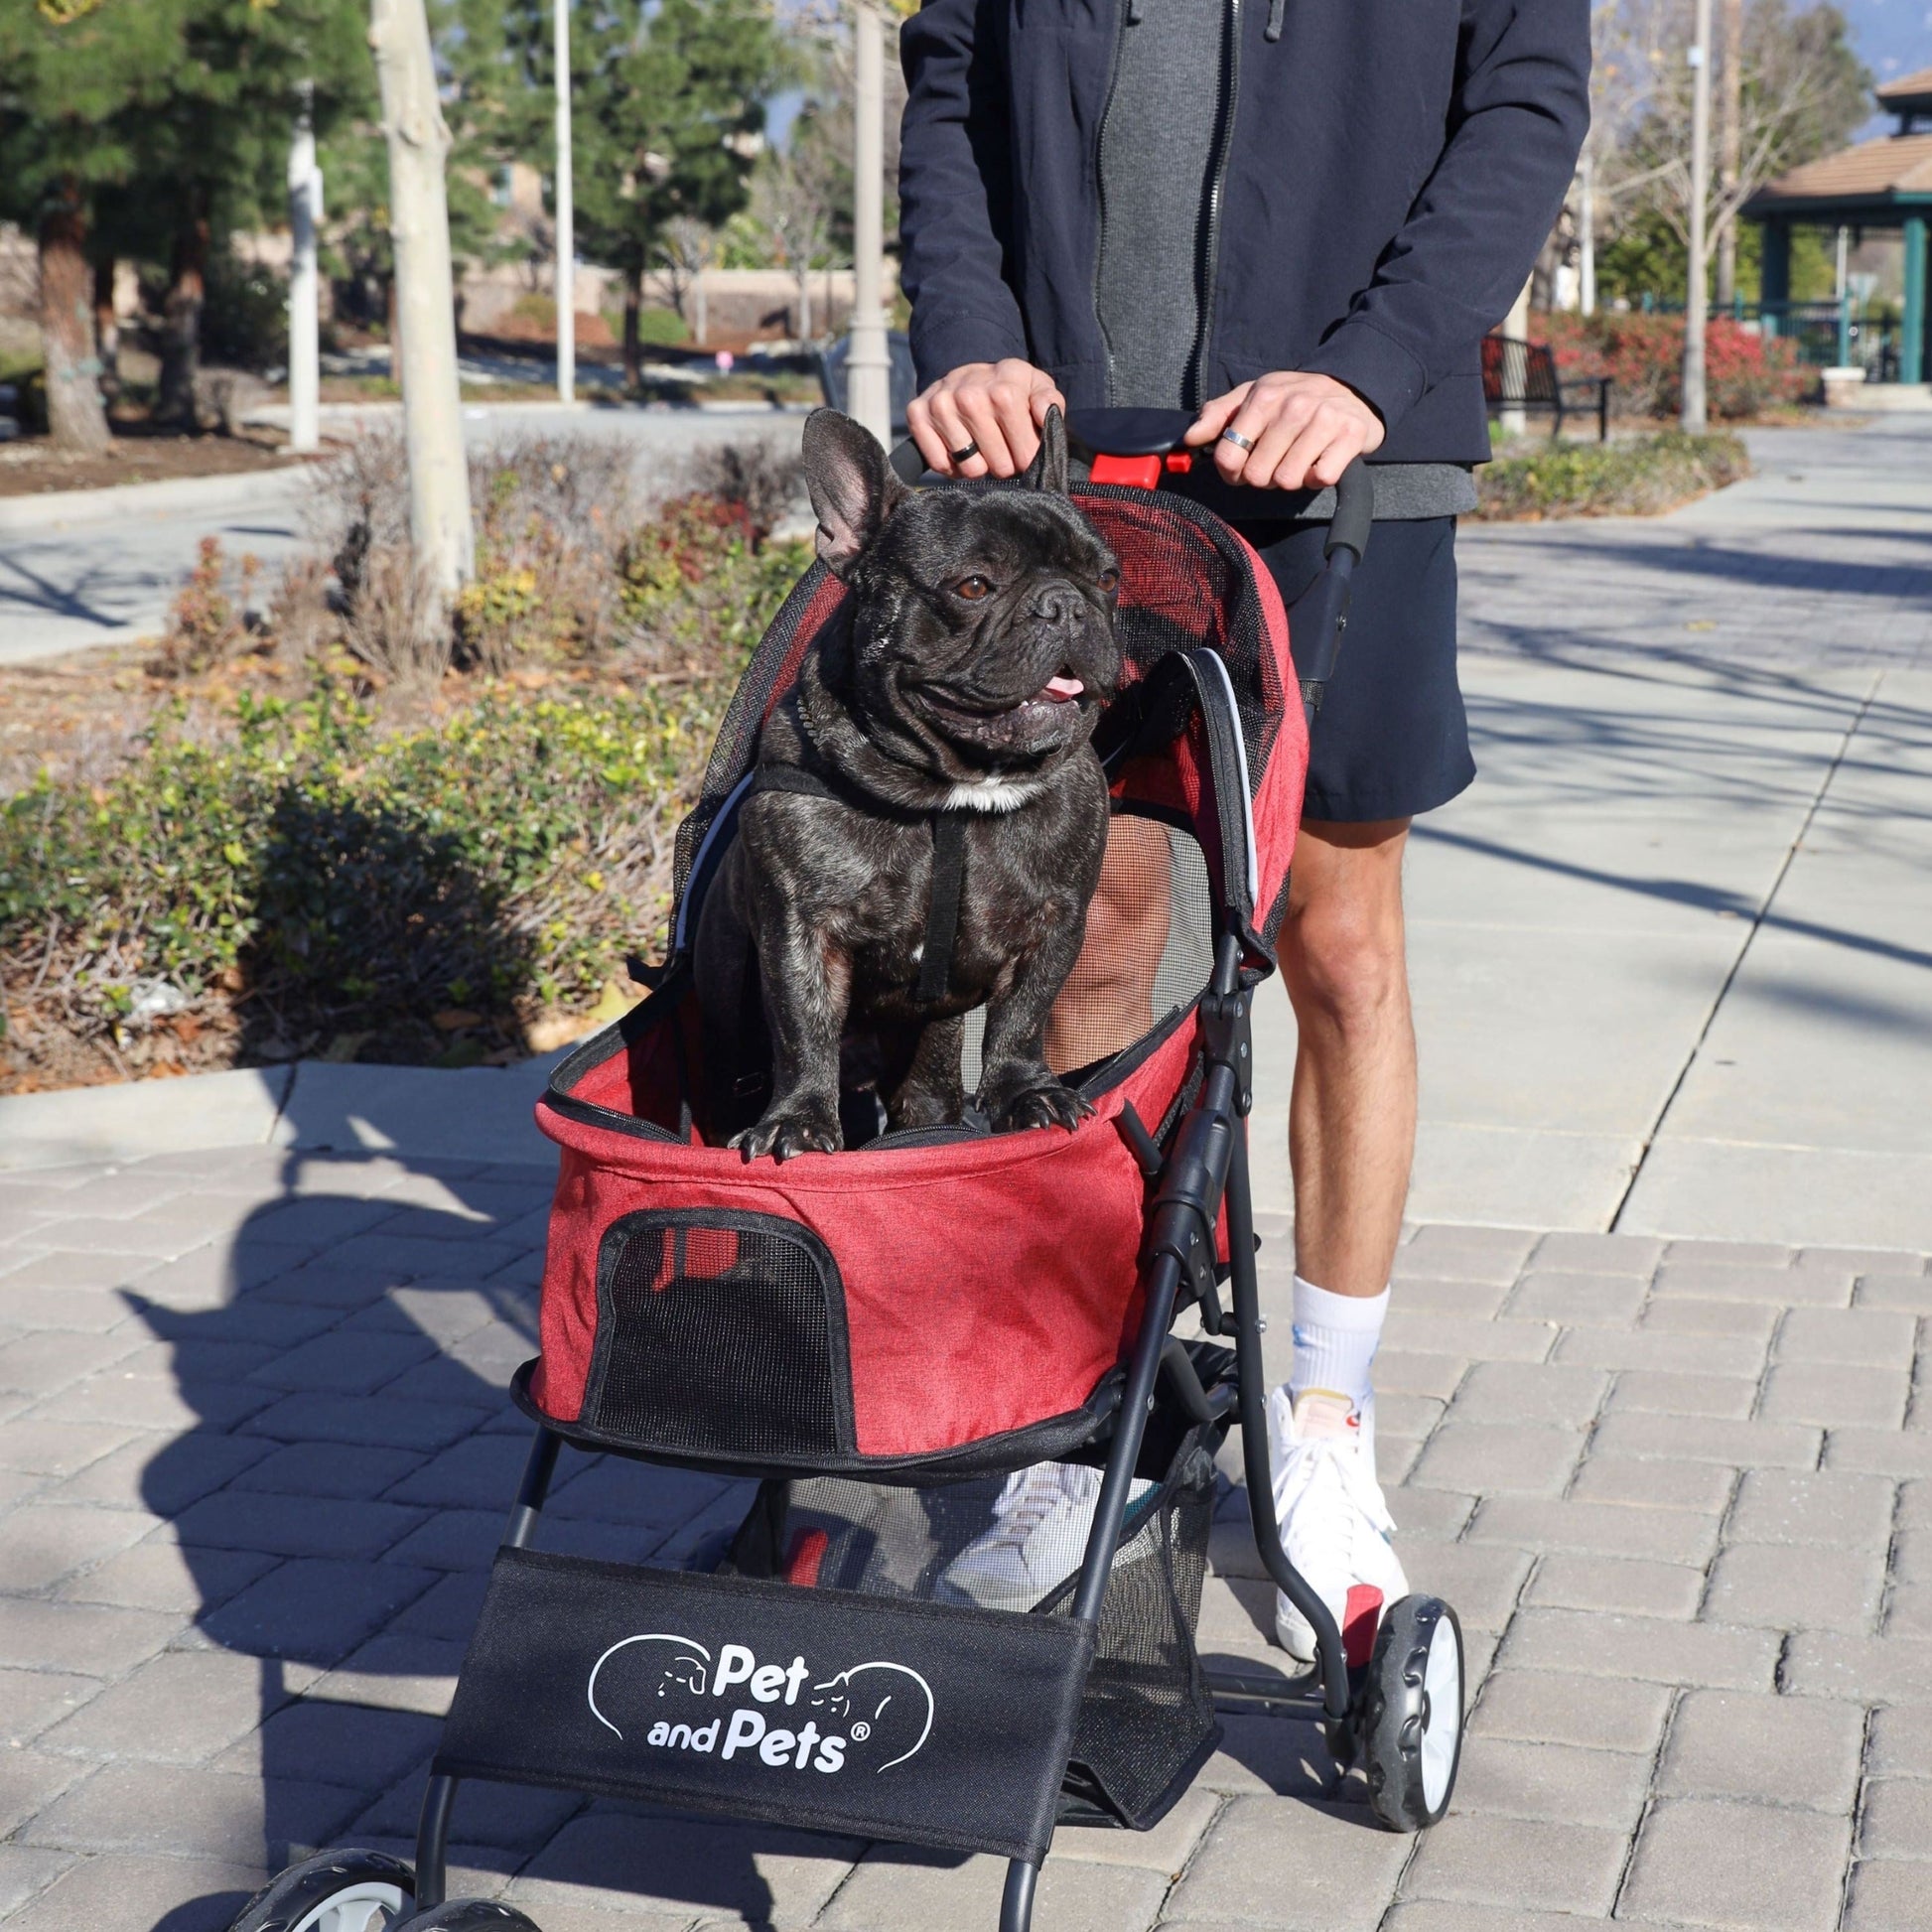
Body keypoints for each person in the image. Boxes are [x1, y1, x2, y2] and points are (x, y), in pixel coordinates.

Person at [903, 0, 1590, 1656]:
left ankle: (1328, 1422)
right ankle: (1102, 1416)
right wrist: (968, 333)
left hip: (1340, 473)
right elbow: (950, 88)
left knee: (1337, 948)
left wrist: (1369, 369)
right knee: (1104, 942)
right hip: (1076, 475)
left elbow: (1522, 107)